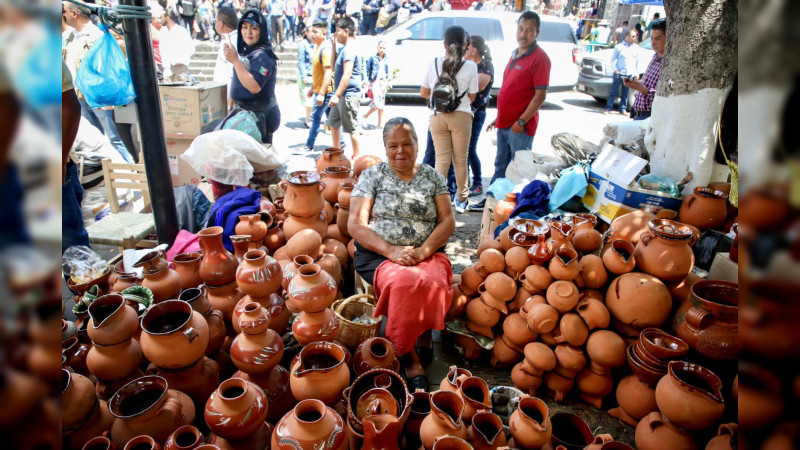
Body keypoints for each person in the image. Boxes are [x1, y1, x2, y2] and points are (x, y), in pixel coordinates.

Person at [348, 117, 455, 391]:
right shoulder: (372, 176)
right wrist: (391, 250)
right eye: (393, 145)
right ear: (385, 148)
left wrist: (424, 250)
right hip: (380, 255)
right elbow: (354, 224)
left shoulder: (431, 176)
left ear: (418, 145)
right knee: (403, 283)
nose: (400, 151)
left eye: (407, 144)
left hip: (427, 252)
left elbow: (447, 220)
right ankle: (408, 353)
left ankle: (422, 332)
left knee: (433, 282)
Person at [62, 1, 134, 164]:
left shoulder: (97, 35)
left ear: (74, 14)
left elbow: (107, 68)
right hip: (80, 96)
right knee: (95, 138)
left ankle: (130, 173)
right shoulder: (72, 37)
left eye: (64, 11)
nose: (62, 15)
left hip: (99, 97)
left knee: (113, 139)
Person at [486, 11, 550, 184]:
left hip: (520, 127)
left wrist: (521, 122)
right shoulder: (515, 54)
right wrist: (498, 117)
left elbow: (540, 96)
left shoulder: (540, 58)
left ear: (537, 33)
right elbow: (511, 89)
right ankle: (494, 200)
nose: (524, 34)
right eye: (521, 29)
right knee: (501, 165)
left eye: (529, 30)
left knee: (519, 170)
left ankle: (513, 206)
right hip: (505, 122)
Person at [421, 25, 478, 213]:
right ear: (465, 45)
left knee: (441, 160)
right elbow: (472, 97)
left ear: (444, 44)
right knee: (461, 160)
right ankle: (461, 200)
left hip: (438, 117)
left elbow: (424, 92)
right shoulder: (471, 66)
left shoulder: (433, 62)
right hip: (461, 116)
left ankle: (437, 200)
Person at [224, 9, 281, 142]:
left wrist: (235, 61)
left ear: (262, 32)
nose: (248, 32)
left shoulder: (263, 56)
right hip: (246, 112)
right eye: (244, 27)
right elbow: (237, 80)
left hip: (260, 115)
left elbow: (254, 86)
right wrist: (229, 106)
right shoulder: (249, 53)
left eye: (254, 28)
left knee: (257, 159)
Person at [302, 20, 344, 151]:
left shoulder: (325, 49)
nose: (312, 35)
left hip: (325, 91)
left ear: (324, 33)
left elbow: (328, 73)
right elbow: (318, 73)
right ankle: (341, 142)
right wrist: (312, 88)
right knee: (332, 118)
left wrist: (321, 93)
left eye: (316, 32)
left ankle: (309, 145)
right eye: (312, 31)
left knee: (315, 117)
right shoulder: (318, 47)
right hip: (320, 89)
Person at [328, 16, 363, 158]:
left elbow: (347, 73)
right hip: (341, 94)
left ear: (346, 31)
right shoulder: (344, 48)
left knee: (351, 128)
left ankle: (357, 158)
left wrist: (336, 95)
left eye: (338, 31)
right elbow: (333, 67)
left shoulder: (350, 49)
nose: (336, 34)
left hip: (348, 94)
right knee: (333, 123)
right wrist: (333, 46)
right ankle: (337, 153)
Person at [463, 35, 493, 199]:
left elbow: (475, 88)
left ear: (474, 49)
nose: (464, 51)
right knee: (463, 151)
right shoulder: (467, 65)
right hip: (464, 113)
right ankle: (465, 183)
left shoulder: (485, 65)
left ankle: (478, 184)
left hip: (477, 113)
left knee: (469, 150)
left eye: (467, 48)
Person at [624, 18, 665, 120]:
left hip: (651, 116)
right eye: (651, 39)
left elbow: (664, 94)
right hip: (638, 112)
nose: (653, 42)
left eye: (658, 39)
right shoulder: (655, 57)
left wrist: (642, 89)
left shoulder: (669, 64)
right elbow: (646, 83)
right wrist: (635, 84)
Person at [604, 28, 638, 115]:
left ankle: (622, 109)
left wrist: (636, 72)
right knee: (613, 92)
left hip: (629, 73)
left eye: (635, 36)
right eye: (633, 36)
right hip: (619, 72)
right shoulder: (619, 47)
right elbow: (613, 59)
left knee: (625, 93)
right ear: (628, 36)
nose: (634, 38)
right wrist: (615, 69)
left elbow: (637, 61)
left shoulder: (636, 48)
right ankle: (608, 108)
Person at [213, 5, 239, 110]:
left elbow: (234, 75)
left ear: (221, 23)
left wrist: (229, 105)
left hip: (229, 101)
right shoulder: (227, 39)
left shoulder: (231, 42)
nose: (214, 23)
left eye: (215, 20)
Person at [161, 7, 196, 82]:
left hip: (181, 66)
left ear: (167, 18)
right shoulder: (162, 31)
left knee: (183, 89)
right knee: (167, 91)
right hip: (168, 67)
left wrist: (180, 60)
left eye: (162, 17)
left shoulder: (181, 31)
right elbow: (162, 49)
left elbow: (191, 48)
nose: (161, 19)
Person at [363, 41, 389, 129]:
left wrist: (388, 80)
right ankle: (365, 116)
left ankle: (380, 123)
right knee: (377, 103)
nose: (382, 50)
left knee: (382, 103)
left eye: (384, 48)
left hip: (383, 83)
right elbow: (367, 70)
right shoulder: (373, 58)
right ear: (377, 48)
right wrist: (367, 81)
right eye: (380, 48)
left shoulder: (386, 59)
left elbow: (387, 71)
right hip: (375, 82)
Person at [297, 28, 315, 126]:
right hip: (306, 73)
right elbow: (301, 61)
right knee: (309, 99)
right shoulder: (303, 44)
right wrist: (304, 76)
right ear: (306, 33)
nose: (313, 34)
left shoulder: (316, 44)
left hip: (315, 74)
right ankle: (308, 119)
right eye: (311, 32)